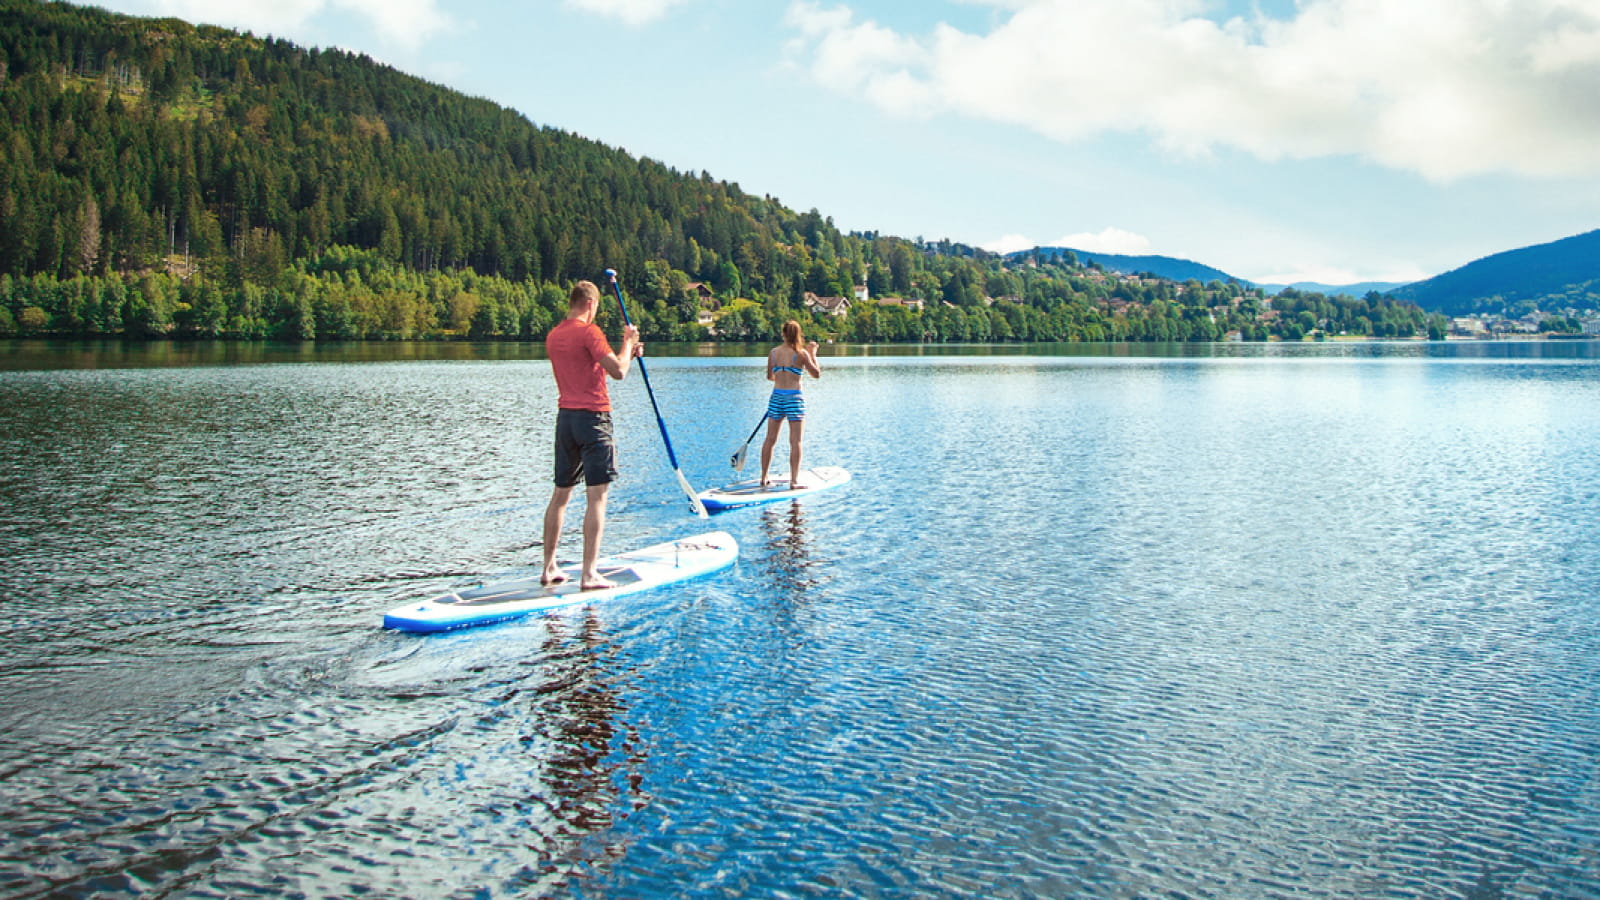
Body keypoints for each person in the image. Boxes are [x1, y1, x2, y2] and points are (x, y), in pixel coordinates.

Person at [541, 280, 641, 590]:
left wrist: (629, 353)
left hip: (566, 419)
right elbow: (619, 371)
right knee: (597, 497)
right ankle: (589, 574)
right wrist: (628, 343)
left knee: (561, 494)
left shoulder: (554, 335)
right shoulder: (589, 332)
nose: (595, 313)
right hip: (594, 419)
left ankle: (548, 568)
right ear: (589, 304)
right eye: (596, 308)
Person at [759, 319, 821, 489]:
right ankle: (794, 481)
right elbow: (816, 374)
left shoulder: (773, 353)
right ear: (798, 335)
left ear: (783, 334)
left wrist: (782, 374)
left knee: (770, 439)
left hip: (777, 396)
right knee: (796, 442)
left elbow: (770, 377)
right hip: (794, 398)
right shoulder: (801, 354)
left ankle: (764, 477)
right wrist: (813, 353)